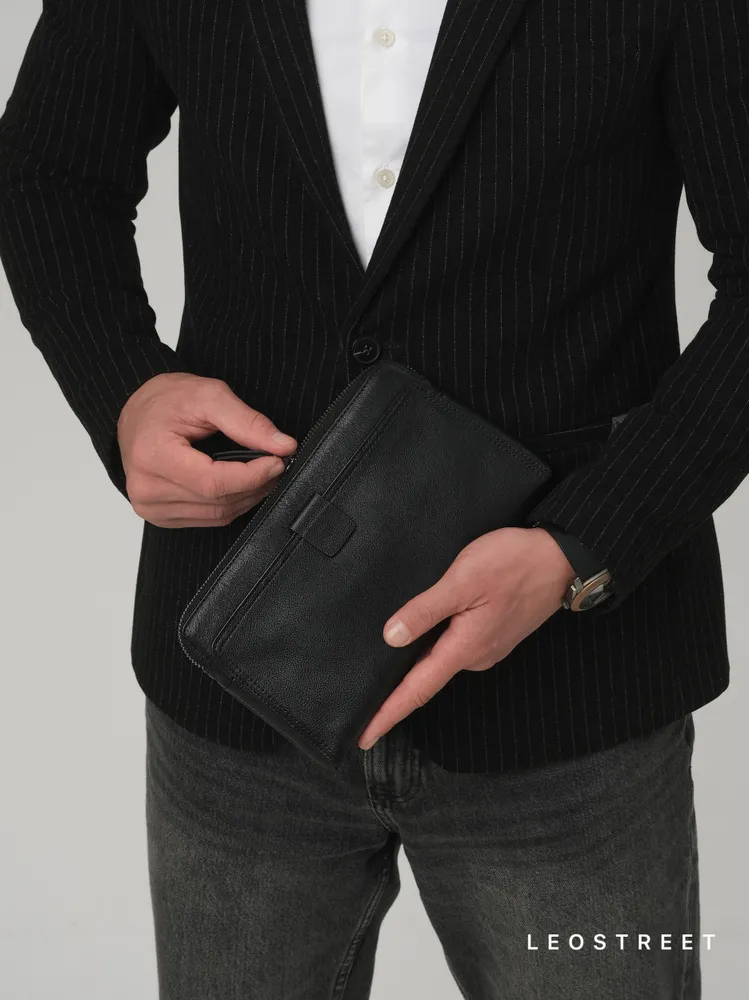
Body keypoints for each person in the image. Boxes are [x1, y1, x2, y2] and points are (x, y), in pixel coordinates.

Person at [0, 0, 744, 996]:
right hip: (240, 666)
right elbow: (48, 170)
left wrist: (582, 544)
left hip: (569, 694)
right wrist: (123, 390)